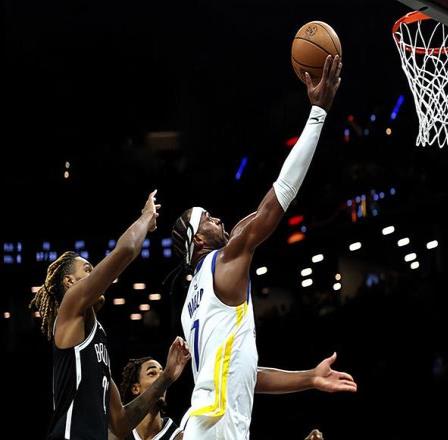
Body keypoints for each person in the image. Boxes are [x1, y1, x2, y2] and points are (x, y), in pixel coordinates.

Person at [170, 55, 357, 440]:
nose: (218, 220)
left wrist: (310, 377)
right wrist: (318, 113)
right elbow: (280, 195)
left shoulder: (192, 303)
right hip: (216, 422)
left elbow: (245, 374)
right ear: (198, 241)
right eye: (208, 219)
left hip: (207, 419)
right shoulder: (225, 260)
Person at [30, 190, 190, 440]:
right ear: (69, 281)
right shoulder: (70, 306)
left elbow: (121, 423)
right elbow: (126, 250)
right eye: (88, 269)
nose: (94, 274)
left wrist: (167, 377)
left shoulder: (97, 339)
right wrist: (145, 218)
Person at [114, 357, 184, 440]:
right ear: (136, 389)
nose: (162, 379)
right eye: (152, 373)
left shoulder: (181, 437)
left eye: (162, 374)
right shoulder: (118, 435)